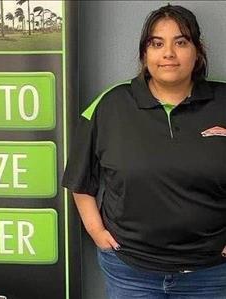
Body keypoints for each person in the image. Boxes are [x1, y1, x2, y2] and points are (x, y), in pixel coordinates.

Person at [62, 4, 226, 299]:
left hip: (213, 274)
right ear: (144, 53)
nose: (168, 54)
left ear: (198, 51)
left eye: (181, 42)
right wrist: (97, 232)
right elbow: (80, 179)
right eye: (157, 43)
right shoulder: (110, 104)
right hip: (130, 273)